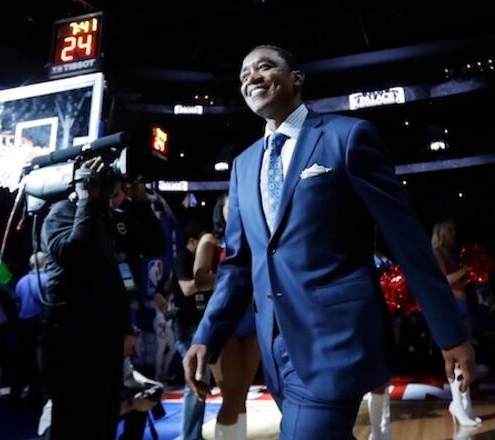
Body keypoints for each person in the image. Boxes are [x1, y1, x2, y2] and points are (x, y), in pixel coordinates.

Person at [183, 45, 475, 439]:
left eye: (263, 67)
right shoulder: (244, 164)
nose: (250, 78)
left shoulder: (348, 137)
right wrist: (207, 335)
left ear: (297, 79)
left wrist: (450, 332)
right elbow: (239, 265)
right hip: (275, 349)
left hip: (337, 340)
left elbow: (406, 241)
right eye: (243, 74)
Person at [40, 157, 130, 439]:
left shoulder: (104, 219)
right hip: (74, 340)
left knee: (102, 424)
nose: (118, 199)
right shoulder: (60, 213)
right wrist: (86, 201)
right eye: (113, 193)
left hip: (106, 337)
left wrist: (139, 200)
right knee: (76, 425)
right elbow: (73, 252)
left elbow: (152, 243)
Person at [193, 195, 259, 439]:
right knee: (231, 396)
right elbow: (199, 279)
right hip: (224, 323)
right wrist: (237, 279)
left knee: (241, 394)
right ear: (220, 210)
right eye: (229, 207)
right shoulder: (211, 241)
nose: (233, 211)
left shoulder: (255, 238)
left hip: (253, 320)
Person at [432, 221, 481, 426]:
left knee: (467, 356)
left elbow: (458, 280)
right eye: (450, 229)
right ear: (441, 232)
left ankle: (465, 404)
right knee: (457, 358)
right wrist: (466, 271)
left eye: (455, 229)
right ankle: (457, 405)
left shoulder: (452, 254)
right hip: (451, 305)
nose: (454, 233)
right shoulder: (438, 251)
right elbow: (442, 279)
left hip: (462, 303)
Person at [171, 225, 211, 440]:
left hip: (199, 327)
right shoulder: (183, 258)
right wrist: (214, 279)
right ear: (193, 241)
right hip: (186, 329)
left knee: (200, 381)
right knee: (195, 382)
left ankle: (194, 434)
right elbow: (187, 288)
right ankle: (190, 436)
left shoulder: (200, 262)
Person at [10, 252, 47, 405]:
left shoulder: (21, 282)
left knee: (22, 361)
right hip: (40, 325)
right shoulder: (47, 280)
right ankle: (36, 395)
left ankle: (15, 395)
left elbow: (17, 303)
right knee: (40, 362)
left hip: (23, 325)